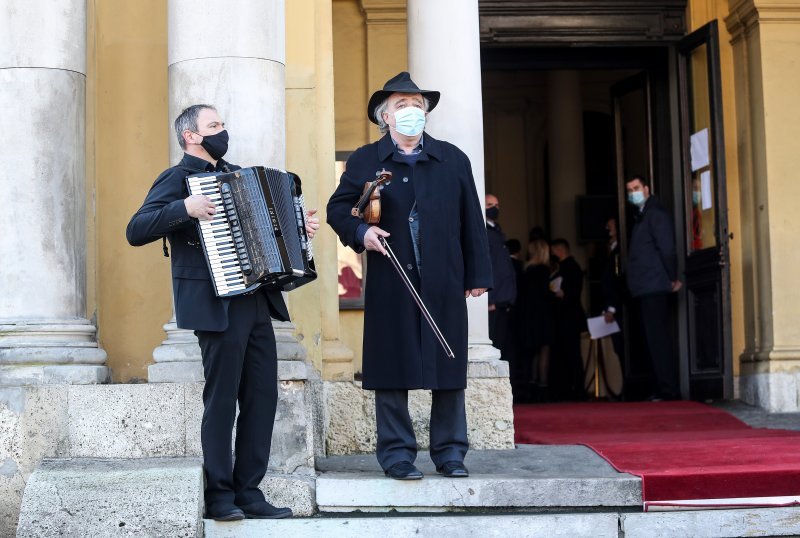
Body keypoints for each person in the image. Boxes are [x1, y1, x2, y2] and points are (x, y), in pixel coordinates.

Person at [126, 104, 320, 521]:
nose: (222, 131)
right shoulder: (177, 179)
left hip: (256, 300)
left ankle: (249, 492)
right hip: (216, 305)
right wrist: (185, 209)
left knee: (262, 397)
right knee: (222, 399)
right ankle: (219, 497)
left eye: (222, 125)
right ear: (190, 136)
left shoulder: (238, 175)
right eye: (214, 126)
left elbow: (267, 229)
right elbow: (136, 229)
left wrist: (300, 228)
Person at [326, 72, 492, 481]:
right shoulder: (367, 159)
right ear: (386, 116)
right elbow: (339, 209)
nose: (412, 111)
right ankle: (397, 456)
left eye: (417, 104)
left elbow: (472, 218)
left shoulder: (453, 158)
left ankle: (451, 453)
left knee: (449, 368)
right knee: (391, 366)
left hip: (444, 277)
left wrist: (479, 273)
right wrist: (361, 232)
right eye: (402, 105)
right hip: (392, 279)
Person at [625, 175, 681, 401]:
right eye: (629, 190)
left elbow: (667, 249)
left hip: (654, 284)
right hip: (646, 286)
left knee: (657, 339)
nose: (633, 193)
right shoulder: (643, 216)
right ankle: (661, 386)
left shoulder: (655, 214)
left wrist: (673, 277)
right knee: (652, 339)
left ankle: (668, 389)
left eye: (636, 188)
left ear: (647, 188)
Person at [549, 238, 586, 400]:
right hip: (564, 316)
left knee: (572, 353)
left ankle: (577, 389)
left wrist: (564, 294)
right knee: (566, 353)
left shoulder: (571, 267)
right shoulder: (564, 267)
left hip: (569, 316)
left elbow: (573, 291)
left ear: (560, 250)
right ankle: (569, 388)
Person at [522, 239, 556, 402]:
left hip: (529, 314)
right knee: (544, 350)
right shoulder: (543, 270)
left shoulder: (527, 269)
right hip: (542, 314)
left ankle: (532, 385)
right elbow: (544, 293)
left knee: (534, 351)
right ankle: (543, 387)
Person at [485, 194, 517, 354]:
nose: (495, 208)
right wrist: (488, 299)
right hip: (493, 301)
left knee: (502, 344)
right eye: (490, 204)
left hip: (503, 300)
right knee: (494, 343)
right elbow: (485, 264)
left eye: (497, 205)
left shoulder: (497, 231)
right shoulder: (483, 231)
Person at [600, 217, 625, 362]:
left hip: (618, 305)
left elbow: (618, 281)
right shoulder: (608, 249)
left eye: (612, 224)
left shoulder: (621, 250)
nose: (608, 227)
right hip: (608, 303)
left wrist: (612, 307)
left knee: (619, 348)